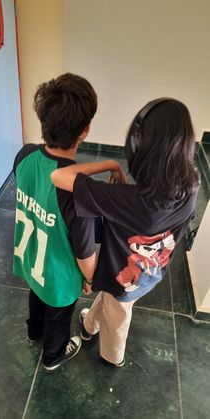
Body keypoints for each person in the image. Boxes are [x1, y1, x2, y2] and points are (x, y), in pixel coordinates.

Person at [51, 98, 200, 367]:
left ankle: (112, 357)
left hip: (122, 277)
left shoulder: (128, 200)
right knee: (113, 301)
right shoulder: (192, 186)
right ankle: (89, 326)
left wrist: (109, 164)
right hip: (152, 272)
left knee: (119, 317)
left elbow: (59, 178)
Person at [13, 73, 98, 371]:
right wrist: (90, 278)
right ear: (85, 129)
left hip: (32, 260)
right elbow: (86, 255)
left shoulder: (23, 156)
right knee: (59, 315)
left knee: (36, 296)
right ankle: (53, 356)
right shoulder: (78, 193)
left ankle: (33, 333)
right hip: (59, 278)